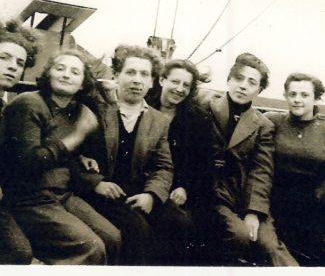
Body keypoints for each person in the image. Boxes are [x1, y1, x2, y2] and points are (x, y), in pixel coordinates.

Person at [0, 49, 121, 265]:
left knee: (112, 237)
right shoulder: (29, 103)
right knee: (91, 248)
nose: (66, 75)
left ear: (83, 83)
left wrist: (79, 155)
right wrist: (75, 139)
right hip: (30, 199)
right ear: (48, 74)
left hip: (62, 195)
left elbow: (86, 134)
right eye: (60, 68)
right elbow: (29, 162)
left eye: (75, 72)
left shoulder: (75, 110)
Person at [74, 44, 174, 265]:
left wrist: (152, 195)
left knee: (180, 223)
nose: (137, 80)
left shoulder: (158, 120)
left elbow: (163, 167)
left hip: (136, 191)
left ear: (152, 82)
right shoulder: (94, 108)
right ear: (117, 75)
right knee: (138, 233)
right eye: (130, 72)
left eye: (144, 74)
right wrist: (95, 182)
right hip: (98, 192)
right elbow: (72, 153)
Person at [198, 53, 298, 266]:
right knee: (239, 235)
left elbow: (261, 171)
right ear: (228, 80)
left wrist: (253, 211)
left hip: (244, 194)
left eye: (251, 82)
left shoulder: (262, 125)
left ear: (259, 91)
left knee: (269, 246)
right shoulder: (205, 105)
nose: (243, 86)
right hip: (211, 191)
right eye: (238, 78)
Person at [145, 59, 216, 265]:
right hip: (144, 181)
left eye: (186, 85)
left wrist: (185, 187)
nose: (179, 89)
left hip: (179, 188)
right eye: (175, 81)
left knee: (194, 227)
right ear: (161, 79)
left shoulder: (197, 119)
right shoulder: (144, 105)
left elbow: (203, 165)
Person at [265, 73, 325, 266]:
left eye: (304, 95)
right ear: (286, 95)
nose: (297, 100)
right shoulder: (272, 121)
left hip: (314, 205)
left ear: (316, 98)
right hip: (275, 202)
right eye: (292, 94)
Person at [0, 19, 40, 265]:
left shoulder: (5, 107)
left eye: (19, 63)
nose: (13, 67)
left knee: (19, 253)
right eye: (4, 57)